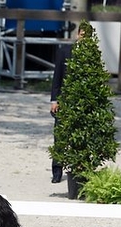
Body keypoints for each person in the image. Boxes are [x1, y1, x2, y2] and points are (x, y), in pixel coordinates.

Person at [49, 25, 85, 183]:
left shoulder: (91, 54)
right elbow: (57, 77)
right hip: (64, 100)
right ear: (77, 34)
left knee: (80, 139)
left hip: (82, 101)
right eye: (82, 35)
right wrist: (54, 99)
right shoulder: (64, 51)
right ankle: (57, 171)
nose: (84, 38)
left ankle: (78, 169)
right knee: (60, 138)